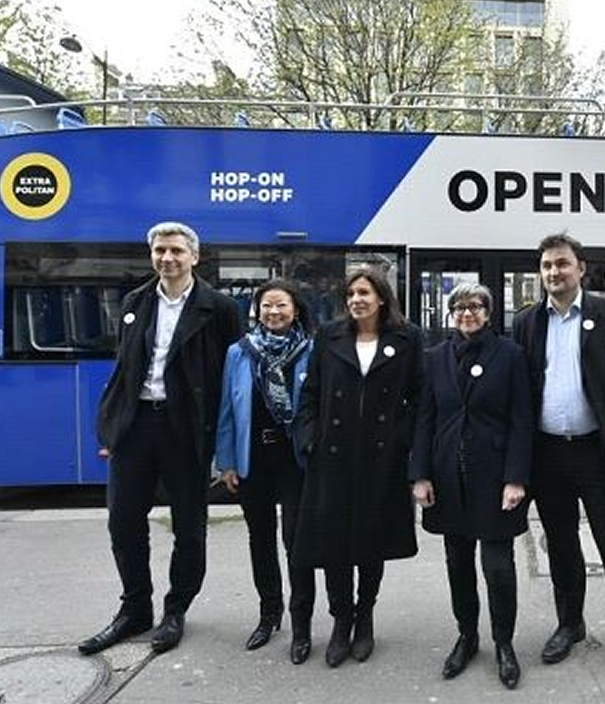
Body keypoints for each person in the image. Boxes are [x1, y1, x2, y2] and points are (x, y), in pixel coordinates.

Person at [81, 221, 243, 656]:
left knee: (189, 528)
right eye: (159, 251)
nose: (166, 258)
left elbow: (232, 379)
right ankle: (135, 609)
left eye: (175, 251)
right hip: (136, 427)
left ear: (194, 256)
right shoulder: (136, 301)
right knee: (123, 522)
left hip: (186, 428)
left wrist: (223, 444)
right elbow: (124, 369)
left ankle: (175, 611)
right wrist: (110, 427)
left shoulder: (220, 308)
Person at [511, 233, 605, 689]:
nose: (554, 272)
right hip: (548, 454)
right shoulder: (526, 322)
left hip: (596, 452)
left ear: (580, 268)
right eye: (547, 266)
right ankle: (570, 624)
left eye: (562, 264)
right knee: (561, 544)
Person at [293, 267, 422, 668]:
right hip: (332, 456)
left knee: (371, 541)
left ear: (381, 297)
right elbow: (310, 394)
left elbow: (418, 397)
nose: (356, 300)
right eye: (351, 294)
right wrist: (310, 439)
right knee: (334, 543)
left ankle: (365, 616)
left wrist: (403, 441)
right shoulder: (329, 336)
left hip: (382, 458)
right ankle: (340, 620)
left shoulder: (407, 338)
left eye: (364, 292)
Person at [410, 283, 533, 689]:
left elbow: (521, 419)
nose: (467, 313)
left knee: (498, 568)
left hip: (496, 479)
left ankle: (503, 643)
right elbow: (425, 419)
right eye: (460, 307)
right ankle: (467, 635)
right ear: (451, 313)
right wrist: (421, 474)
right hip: (448, 478)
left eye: (476, 306)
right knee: (457, 565)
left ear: (489, 312)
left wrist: (516, 478)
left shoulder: (511, 355)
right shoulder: (435, 358)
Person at [214, 280, 317, 663]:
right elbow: (227, 407)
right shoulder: (239, 353)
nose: (273, 312)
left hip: (295, 461)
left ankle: (301, 625)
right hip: (253, 459)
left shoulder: (313, 349)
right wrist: (225, 462)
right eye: (266, 306)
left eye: (282, 305)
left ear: (296, 309)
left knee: (296, 542)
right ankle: (268, 613)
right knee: (260, 539)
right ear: (256, 310)